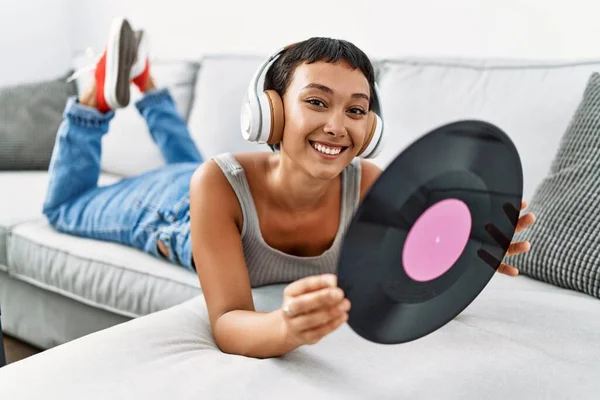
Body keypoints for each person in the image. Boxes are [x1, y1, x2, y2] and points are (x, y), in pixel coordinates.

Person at [43, 17, 536, 359]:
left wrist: (469, 254)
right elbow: (231, 320)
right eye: (317, 102)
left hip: (213, 183)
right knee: (65, 209)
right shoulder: (215, 184)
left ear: (372, 129)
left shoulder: (369, 184)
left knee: (196, 167)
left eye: (357, 110)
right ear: (269, 113)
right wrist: (283, 327)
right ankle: (96, 96)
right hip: (173, 212)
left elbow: (416, 266)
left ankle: (146, 85)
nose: (338, 126)